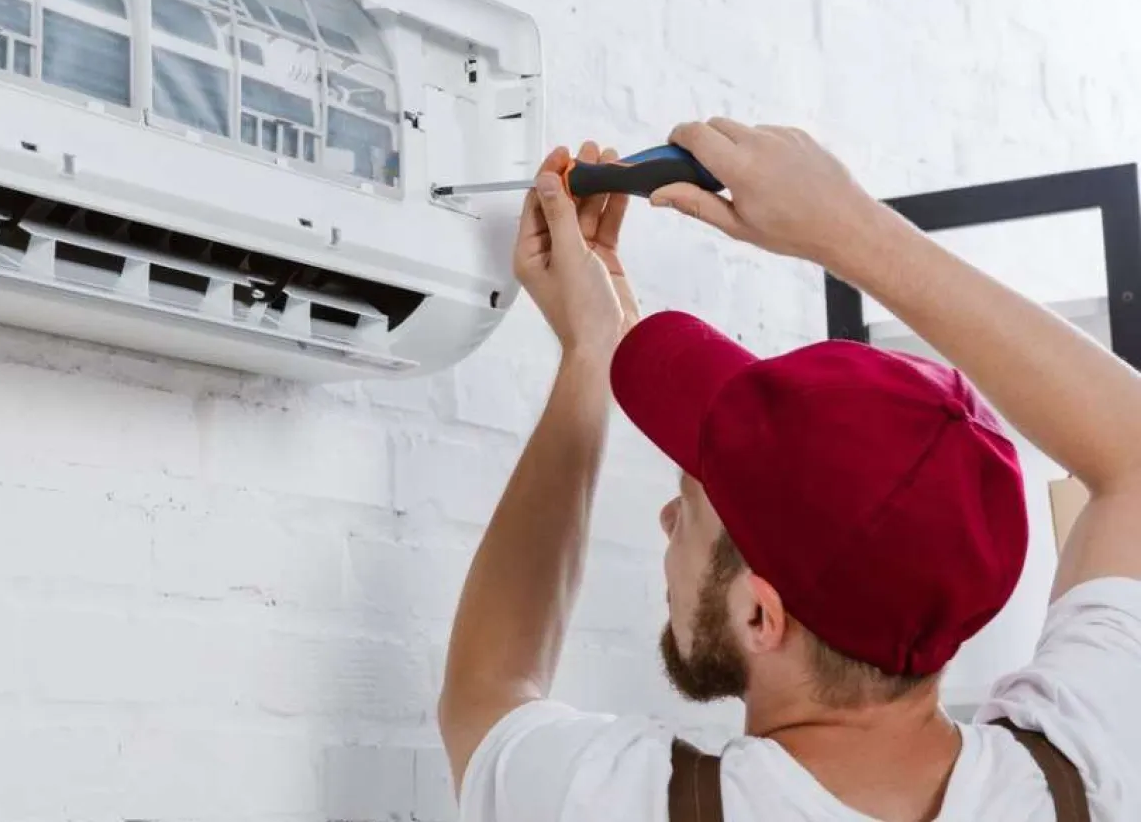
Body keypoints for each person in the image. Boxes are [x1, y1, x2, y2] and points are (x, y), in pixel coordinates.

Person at [437, 120, 1141, 821]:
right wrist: (852, 227)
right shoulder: (1089, 772)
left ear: (760, 615)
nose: (666, 518)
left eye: (691, 497)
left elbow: (486, 694)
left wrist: (586, 354)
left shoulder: (619, 802)